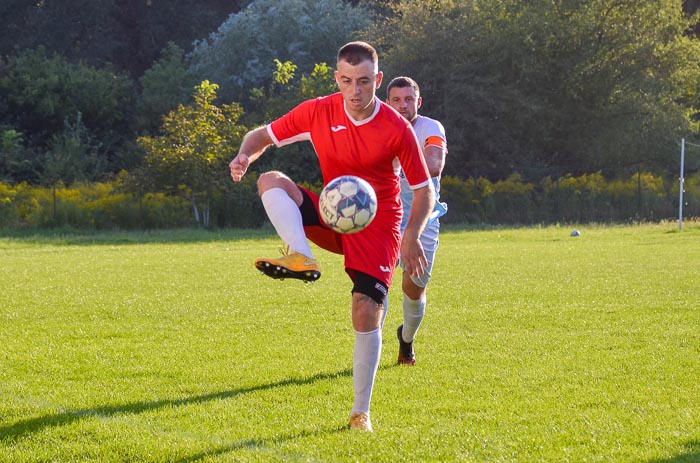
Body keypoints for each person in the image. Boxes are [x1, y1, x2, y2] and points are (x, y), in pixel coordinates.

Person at [229, 42, 435, 432]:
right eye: (346, 81)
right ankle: (301, 256)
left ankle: (361, 413)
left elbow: (424, 190)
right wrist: (244, 156)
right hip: (333, 214)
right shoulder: (318, 111)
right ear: (337, 79)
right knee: (271, 180)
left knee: (365, 309)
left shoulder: (397, 128)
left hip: (378, 226)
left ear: (377, 79)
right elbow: (263, 135)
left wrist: (411, 234)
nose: (354, 91)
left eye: (363, 82)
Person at [386, 76, 448, 366]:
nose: (403, 105)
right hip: (385, 217)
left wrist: (393, 169)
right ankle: (368, 351)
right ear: (388, 103)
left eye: (408, 99)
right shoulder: (376, 129)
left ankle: (406, 339)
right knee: (376, 284)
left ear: (418, 102)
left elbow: (434, 164)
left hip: (423, 219)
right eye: (396, 100)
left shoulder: (430, 127)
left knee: (414, 289)